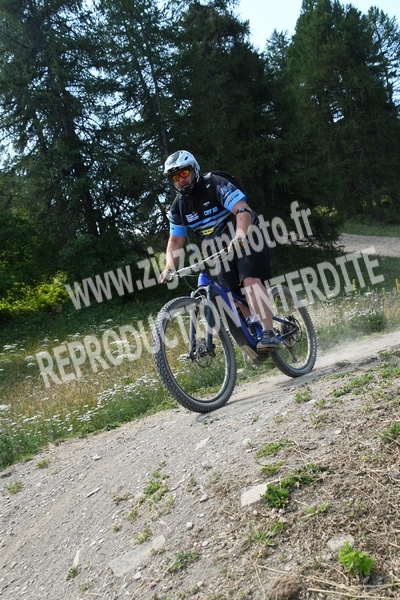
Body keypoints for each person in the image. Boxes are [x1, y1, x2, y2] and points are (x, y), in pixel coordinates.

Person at [159, 150, 280, 352]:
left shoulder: (214, 183)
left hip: (246, 233)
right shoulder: (178, 206)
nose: (181, 180)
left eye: (184, 173)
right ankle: (254, 334)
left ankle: (268, 333)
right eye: (175, 177)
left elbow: (242, 209)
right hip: (219, 248)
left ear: (194, 170)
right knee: (230, 297)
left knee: (249, 280)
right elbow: (176, 241)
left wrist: (240, 235)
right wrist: (169, 267)